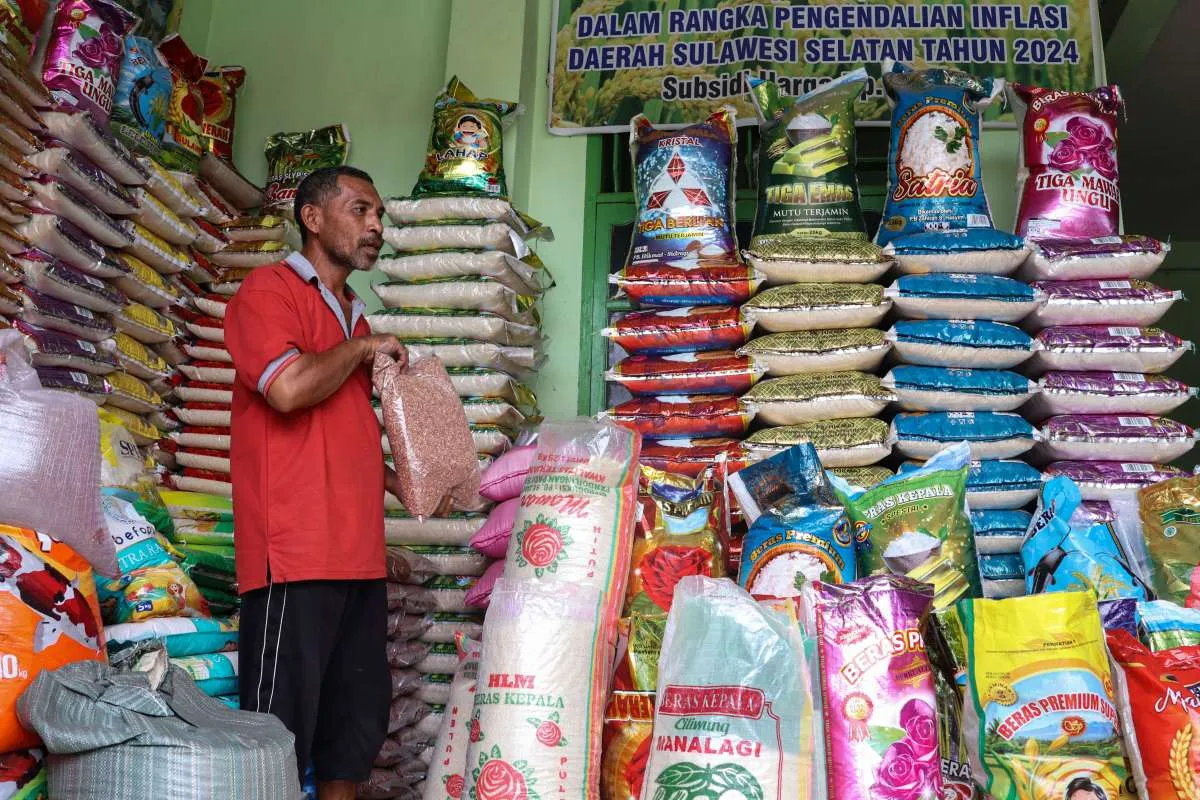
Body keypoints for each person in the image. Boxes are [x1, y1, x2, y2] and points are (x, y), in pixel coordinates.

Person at [225, 165, 405, 800]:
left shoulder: (355, 317)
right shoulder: (268, 292)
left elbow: (338, 431)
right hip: (294, 557)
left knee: (350, 738)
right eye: (361, 210)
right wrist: (362, 352)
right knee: (275, 739)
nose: (376, 225)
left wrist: (401, 473)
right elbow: (288, 390)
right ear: (313, 218)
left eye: (378, 214)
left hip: (358, 559)